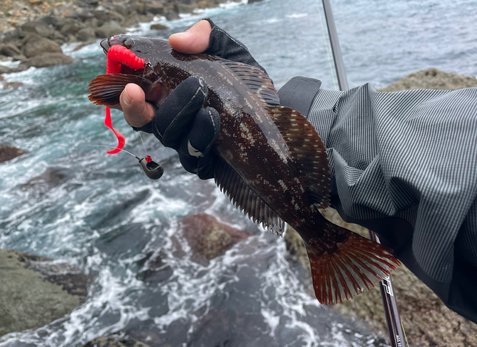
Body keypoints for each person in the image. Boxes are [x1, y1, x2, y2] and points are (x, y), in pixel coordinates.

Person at [112, 19, 477, 323]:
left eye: (124, 43)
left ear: (146, 66)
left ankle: (322, 240)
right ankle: (321, 236)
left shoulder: (157, 68)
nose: (114, 43)